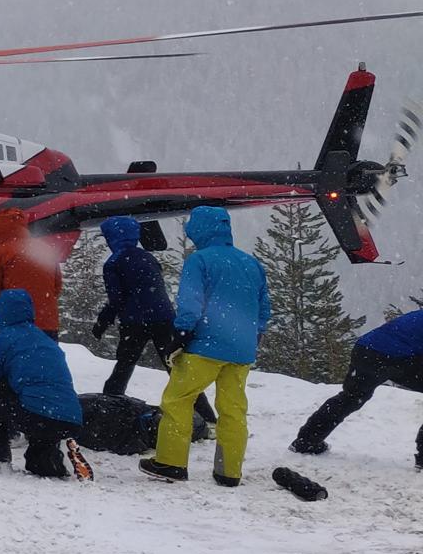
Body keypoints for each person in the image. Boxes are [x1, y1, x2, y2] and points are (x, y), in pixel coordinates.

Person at [141, 206, 268, 486]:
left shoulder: (200, 260)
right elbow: (263, 309)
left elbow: (190, 303)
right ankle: (229, 471)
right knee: (233, 410)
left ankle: (171, 463)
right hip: (242, 350)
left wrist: (182, 333)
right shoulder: (250, 263)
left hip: (206, 346)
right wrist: (254, 336)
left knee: (178, 400)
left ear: (199, 229)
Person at [93, 216, 218, 424]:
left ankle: (109, 406)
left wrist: (102, 323)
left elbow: (116, 299)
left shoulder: (114, 263)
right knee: (176, 367)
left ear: (112, 238)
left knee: (125, 363)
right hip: (165, 318)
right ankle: (207, 416)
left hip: (135, 322)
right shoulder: (147, 257)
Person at [0, 289, 94, 479]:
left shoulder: (4, 339)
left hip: (36, 415)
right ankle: (51, 458)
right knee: (39, 462)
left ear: (0, 313)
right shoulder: (45, 339)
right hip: (70, 417)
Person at [290, 309, 423, 469]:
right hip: (391, 356)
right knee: (352, 398)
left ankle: (306, 441)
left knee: (350, 398)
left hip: (366, 350)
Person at [0, 209, 63, 340]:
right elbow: (57, 286)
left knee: (17, 359)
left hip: (14, 322)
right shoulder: (45, 249)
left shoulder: (1, 252)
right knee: (47, 359)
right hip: (47, 322)